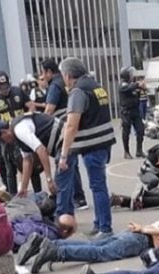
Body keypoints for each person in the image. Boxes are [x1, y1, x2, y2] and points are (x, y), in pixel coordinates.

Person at [26, 210, 159, 274]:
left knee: (96, 246)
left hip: (137, 235)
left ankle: (47, 244)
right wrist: (144, 229)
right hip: (142, 240)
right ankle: (56, 252)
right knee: (100, 253)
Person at [57, 57, 115, 239]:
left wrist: (64, 154)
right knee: (98, 185)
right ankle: (99, 223)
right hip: (104, 142)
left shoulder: (78, 91)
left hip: (92, 145)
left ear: (67, 75)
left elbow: (71, 125)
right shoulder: (96, 86)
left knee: (98, 186)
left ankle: (105, 228)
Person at [39, 57, 88, 210]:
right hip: (70, 126)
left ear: (49, 72)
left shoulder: (55, 85)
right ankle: (79, 198)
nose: (42, 76)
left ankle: (71, 201)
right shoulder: (65, 83)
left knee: (64, 163)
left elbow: (49, 110)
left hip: (61, 130)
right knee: (72, 164)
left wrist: (42, 126)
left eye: (43, 72)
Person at [0, 70, 35, 195]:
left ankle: (36, 191)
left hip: (21, 132)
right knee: (9, 168)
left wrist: (27, 117)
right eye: (1, 87)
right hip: (6, 136)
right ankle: (12, 195)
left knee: (29, 161)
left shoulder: (18, 92)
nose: (4, 89)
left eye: (6, 86)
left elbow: (31, 106)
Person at [0, 115, 59, 198]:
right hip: (55, 141)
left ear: (4, 132)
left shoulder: (19, 130)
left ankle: (70, 204)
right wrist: (23, 188)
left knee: (61, 178)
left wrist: (49, 179)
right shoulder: (16, 135)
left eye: (2, 139)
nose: (5, 142)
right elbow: (27, 160)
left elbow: (41, 150)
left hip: (60, 134)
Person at [119, 66, 146, 159]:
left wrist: (141, 88)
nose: (132, 75)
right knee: (126, 132)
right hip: (126, 111)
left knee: (140, 129)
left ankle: (139, 150)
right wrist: (138, 84)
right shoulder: (123, 84)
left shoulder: (132, 84)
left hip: (135, 110)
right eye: (130, 74)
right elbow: (129, 88)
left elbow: (137, 92)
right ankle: (126, 152)